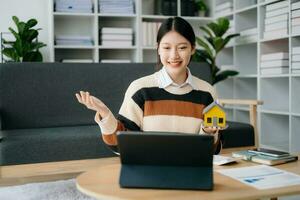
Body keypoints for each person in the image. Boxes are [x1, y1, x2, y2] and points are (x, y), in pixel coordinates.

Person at [76, 17, 222, 153]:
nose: (174, 55)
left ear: (193, 48)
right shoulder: (140, 89)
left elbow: (213, 150)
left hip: (191, 169)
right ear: (158, 48)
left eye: (182, 48)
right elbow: (120, 144)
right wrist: (106, 114)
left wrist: (209, 132)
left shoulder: (207, 92)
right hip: (148, 169)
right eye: (166, 48)